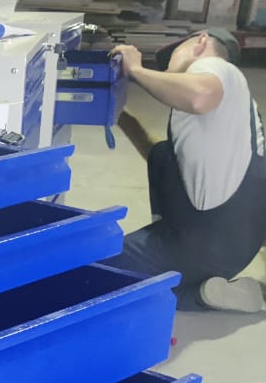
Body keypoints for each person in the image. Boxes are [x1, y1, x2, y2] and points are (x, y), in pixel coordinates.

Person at [110, 27, 266, 312]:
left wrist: (136, 70)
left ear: (202, 42)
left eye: (173, 54)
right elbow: (158, 154)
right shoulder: (234, 112)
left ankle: (186, 284)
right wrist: (119, 115)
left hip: (202, 241)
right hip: (238, 246)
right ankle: (206, 294)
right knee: (163, 154)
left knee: (91, 272)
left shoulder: (216, 67)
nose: (167, 65)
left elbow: (199, 97)